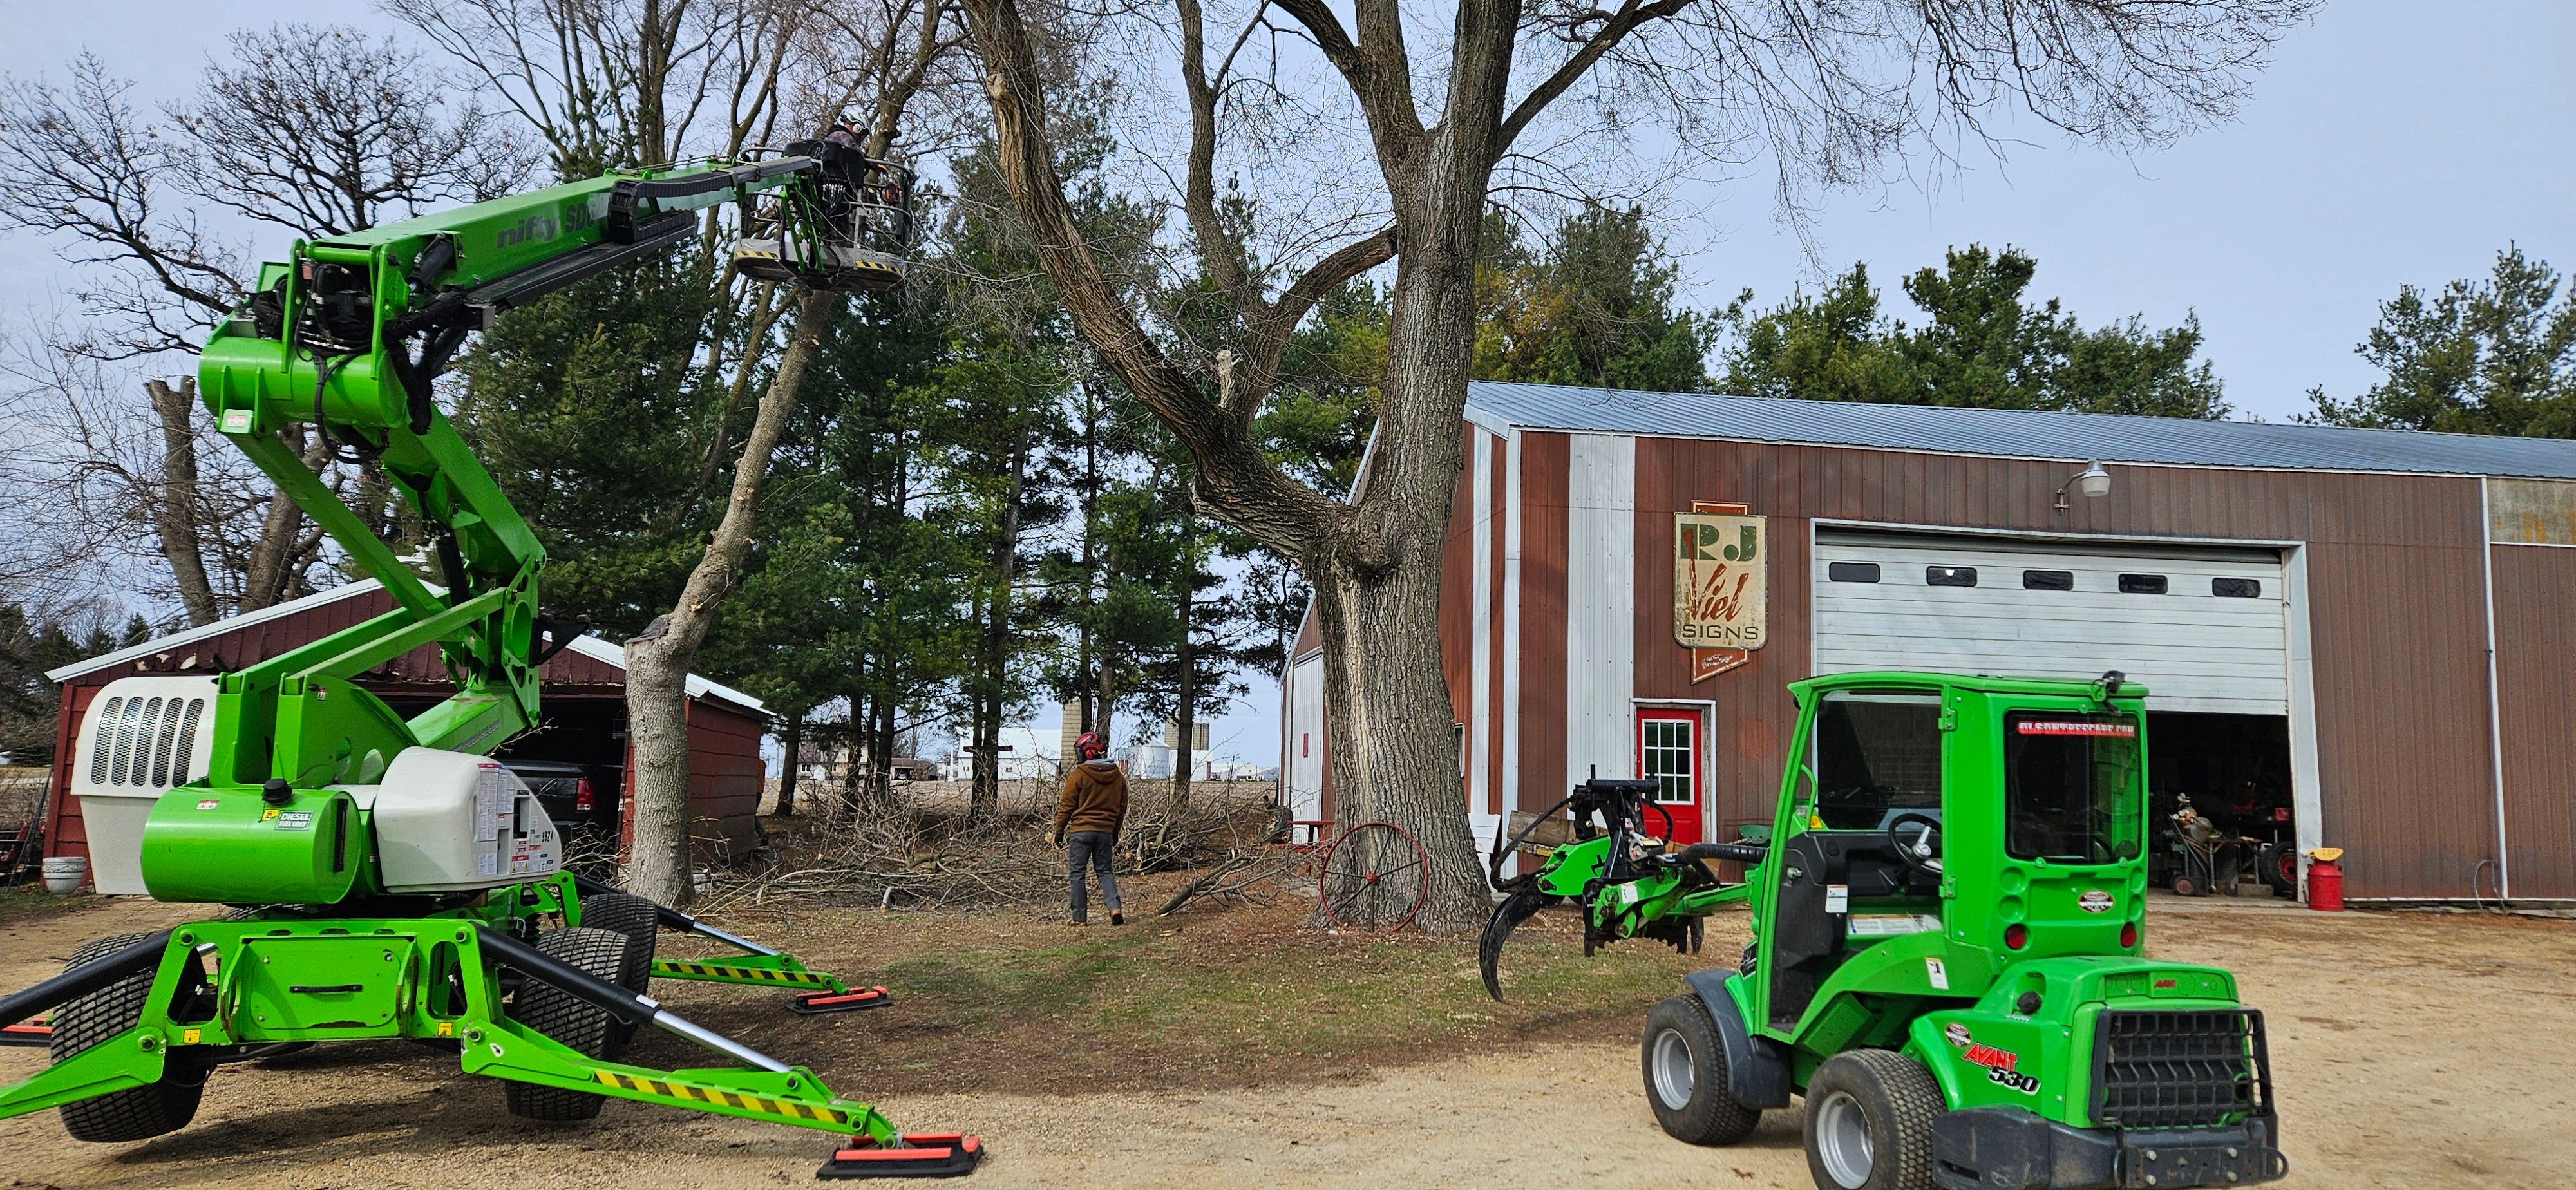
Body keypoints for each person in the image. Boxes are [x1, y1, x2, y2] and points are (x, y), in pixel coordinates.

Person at [1052, 731, 1128, 925]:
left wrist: (1058, 832)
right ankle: (1115, 908)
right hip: (1105, 832)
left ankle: (1079, 918)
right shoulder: (1118, 776)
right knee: (1105, 871)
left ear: (1089, 752)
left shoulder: (1079, 775)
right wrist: (1115, 831)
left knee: (1077, 873)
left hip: (1081, 832)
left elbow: (1066, 807)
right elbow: (1122, 807)